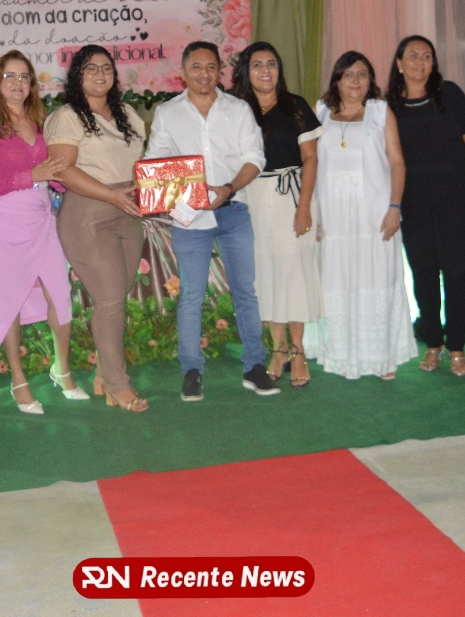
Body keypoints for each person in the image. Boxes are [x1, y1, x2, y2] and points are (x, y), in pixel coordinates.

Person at [145, 41, 279, 400]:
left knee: (245, 291)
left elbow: (255, 157)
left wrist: (229, 189)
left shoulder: (238, 109)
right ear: (183, 72)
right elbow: (155, 161)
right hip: (189, 218)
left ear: (220, 70)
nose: (204, 74)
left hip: (233, 210)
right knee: (191, 294)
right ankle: (191, 370)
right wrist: (179, 193)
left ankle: (254, 366)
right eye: (196, 67)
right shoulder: (167, 113)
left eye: (210, 67)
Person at [0, 50, 79, 415]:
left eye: (25, 76)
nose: (18, 83)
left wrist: (71, 183)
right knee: (8, 298)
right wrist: (31, 176)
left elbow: (54, 172)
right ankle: (18, 380)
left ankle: (61, 369)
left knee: (59, 291)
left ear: (32, 84)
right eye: (10, 76)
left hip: (41, 215)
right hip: (1, 219)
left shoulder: (42, 122)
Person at [46, 45, 149, 412]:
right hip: (88, 216)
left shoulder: (128, 114)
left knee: (116, 300)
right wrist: (110, 195)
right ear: (77, 75)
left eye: (106, 68)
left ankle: (104, 377)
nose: (100, 74)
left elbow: (140, 164)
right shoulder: (67, 116)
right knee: (109, 301)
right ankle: (119, 384)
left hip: (128, 213)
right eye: (91, 68)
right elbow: (62, 169)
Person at [313, 51, 417, 378]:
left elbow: (398, 163)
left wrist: (395, 208)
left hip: (375, 214)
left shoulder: (380, 112)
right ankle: (340, 355)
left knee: (377, 282)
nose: (355, 81)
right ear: (337, 79)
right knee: (338, 283)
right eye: (348, 74)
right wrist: (313, 211)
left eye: (362, 74)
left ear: (370, 79)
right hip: (333, 215)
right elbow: (310, 164)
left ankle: (381, 358)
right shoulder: (320, 111)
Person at [229, 42, 322, 387]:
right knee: (264, 275)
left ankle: (298, 350)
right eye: (257, 65)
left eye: (271, 63)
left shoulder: (294, 105)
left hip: (291, 196)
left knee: (293, 273)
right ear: (245, 71)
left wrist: (304, 206)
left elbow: (310, 158)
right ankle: (278, 349)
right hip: (250, 196)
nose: (265, 70)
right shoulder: (236, 109)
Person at [387, 37, 465, 376]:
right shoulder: (389, 105)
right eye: (412, 56)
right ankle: (433, 343)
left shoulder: (448, 93)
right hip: (413, 202)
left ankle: (457, 347)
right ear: (399, 63)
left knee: (456, 272)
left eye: (427, 56)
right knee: (424, 273)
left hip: (456, 198)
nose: (420, 62)